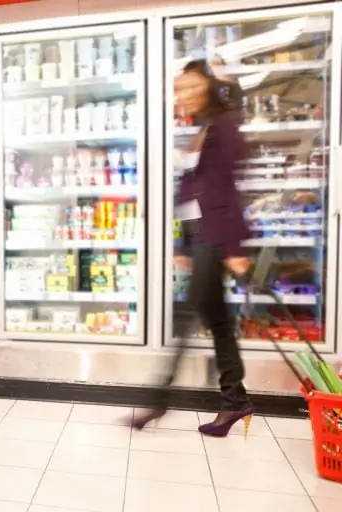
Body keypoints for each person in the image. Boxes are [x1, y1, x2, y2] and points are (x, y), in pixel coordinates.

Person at [133, 59, 254, 437]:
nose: (183, 96)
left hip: (217, 235)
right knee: (216, 320)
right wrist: (182, 239)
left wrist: (234, 245)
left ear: (209, 87)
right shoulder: (201, 129)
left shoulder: (225, 126)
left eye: (190, 87)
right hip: (200, 234)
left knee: (186, 316)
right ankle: (235, 401)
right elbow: (189, 191)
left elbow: (230, 188)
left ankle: (158, 400)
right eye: (179, 90)